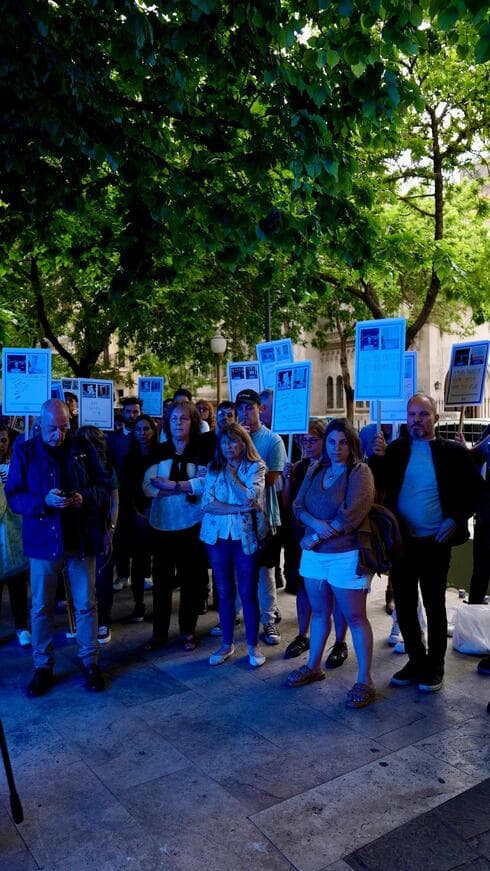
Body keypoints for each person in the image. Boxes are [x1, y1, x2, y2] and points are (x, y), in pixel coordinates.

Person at [371, 393, 483, 693]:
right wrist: (376, 456)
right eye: (412, 415)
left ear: (436, 418)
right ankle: (416, 659)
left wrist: (456, 518)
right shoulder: (395, 450)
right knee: (405, 606)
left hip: (435, 541)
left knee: (434, 605)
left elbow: (476, 491)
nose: (416, 420)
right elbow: (376, 483)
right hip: (402, 543)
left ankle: (435, 665)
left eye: (423, 414)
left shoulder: (452, 453)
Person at [5, 399, 111, 696]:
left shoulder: (82, 447)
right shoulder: (25, 450)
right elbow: (14, 496)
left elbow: (104, 486)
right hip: (43, 538)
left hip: (79, 537)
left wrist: (82, 498)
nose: (59, 434)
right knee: (41, 606)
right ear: (40, 425)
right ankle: (42, 665)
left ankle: (90, 660)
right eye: (53, 429)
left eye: (65, 427)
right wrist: (43, 503)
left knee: (86, 603)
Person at [287, 420, 375, 708]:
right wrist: (314, 528)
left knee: (356, 617)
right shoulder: (316, 469)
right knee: (320, 612)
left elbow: (353, 514)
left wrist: (315, 537)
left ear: (351, 445)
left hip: (345, 555)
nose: (336, 448)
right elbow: (298, 506)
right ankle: (313, 666)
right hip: (314, 557)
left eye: (342, 442)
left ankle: (365, 680)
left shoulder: (360, 472)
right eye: (331, 442)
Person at [142, 399, 208, 651]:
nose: (179, 423)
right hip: (161, 526)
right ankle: (159, 633)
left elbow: (205, 487)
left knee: (191, 582)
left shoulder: (201, 451)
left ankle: (187, 631)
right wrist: (184, 488)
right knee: (161, 584)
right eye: (174, 419)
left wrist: (170, 485)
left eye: (184, 418)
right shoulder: (158, 452)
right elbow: (147, 488)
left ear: (192, 422)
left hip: (192, 525)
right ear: (167, 423)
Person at [281, 420, 349, 665]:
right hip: (300, 537)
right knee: (303, 588)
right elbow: (290, 503)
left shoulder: (335, 468)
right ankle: (303, 634)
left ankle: (340, 641)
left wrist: (321, 529)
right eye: (303, 440)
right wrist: (288, 479)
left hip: (331, 539)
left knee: (336, 592)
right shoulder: (300, 467)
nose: (308, 445)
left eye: (313, 440)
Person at [200, 423, 267, 667]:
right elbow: (207, 504)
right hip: (217, 538)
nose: (229, 446)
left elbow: (251, 496)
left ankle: (253, 645)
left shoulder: (256, 467)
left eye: (234, 441)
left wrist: (231, 476)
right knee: (224, 591)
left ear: (244, 443)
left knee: (248, 592)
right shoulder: (213, 467)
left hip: (244, 538)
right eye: (225, 442)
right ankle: (226, 644)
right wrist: (241, 508)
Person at [235, 389, 287, 646]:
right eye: (241, 408)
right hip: (237, 516)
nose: (245, 412)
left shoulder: (273, 440)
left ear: (260, 410)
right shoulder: (233, 439)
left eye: (250, 407)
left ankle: (269, 621)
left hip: (265, 517)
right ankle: (233, 615)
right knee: (239, 568)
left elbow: (271, 480)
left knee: (265, 572)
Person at [78, 426, 119, 644]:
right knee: (83, 580)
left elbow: (114, 500)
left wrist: (111, 530)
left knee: (102, 577)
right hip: (80, 529)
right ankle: (84, 621)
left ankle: (103, 621)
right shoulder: (73, 465)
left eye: (91, 442)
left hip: (101, 527)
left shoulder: (107, 466)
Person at [120, 414, 161, 622]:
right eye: (138, 430)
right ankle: (138, 604)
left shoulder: (160, 456)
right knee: (138, 562)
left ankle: (159, 606)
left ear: (153, 431)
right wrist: (136, 513)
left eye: (146, 429)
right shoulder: (129, 458)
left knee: (159, 563)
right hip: (136, 515)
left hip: (159, 513)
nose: (142, 433)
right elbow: (126, 490)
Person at [107, 397, 142, 590]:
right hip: (119, 493)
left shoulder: (146, 435)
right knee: (120, 536)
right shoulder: (113, 438)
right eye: (128, 412)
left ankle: (142, 575)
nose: (132, 415)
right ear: (123, 413)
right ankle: (122, 575)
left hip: (140, 494)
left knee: (140, 537)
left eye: (135, 411)